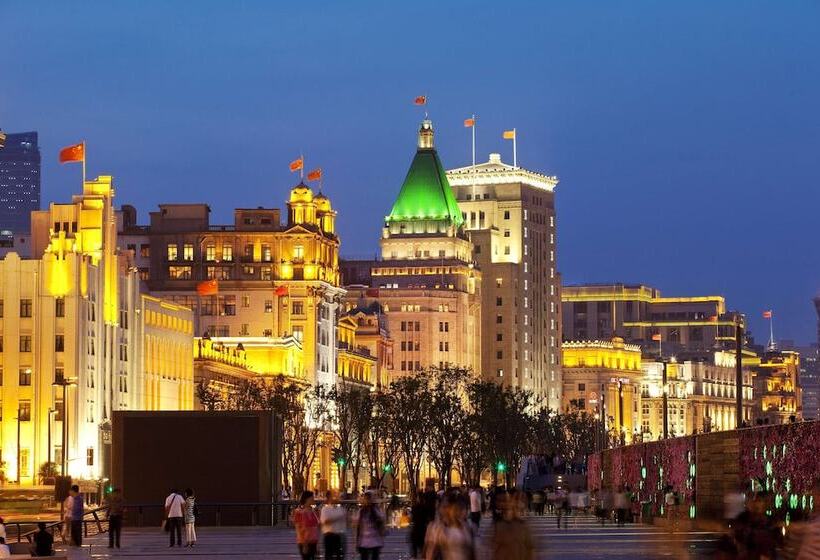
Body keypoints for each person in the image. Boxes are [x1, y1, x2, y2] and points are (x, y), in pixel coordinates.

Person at [424, 493, 477, 560]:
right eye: (444, 507)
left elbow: (471, 552)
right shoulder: (437, 528)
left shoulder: (468, 527)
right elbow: (431, 553)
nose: (446, 510)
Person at [490, 491, 534, 560]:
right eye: (517, 508)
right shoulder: (500, 525)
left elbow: (530, 547)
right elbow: (495, 547)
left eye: (522, 510)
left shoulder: (523, 526)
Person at [356, 491, 385, 560]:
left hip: (375, 541)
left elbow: (382, 522)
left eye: (368, 499)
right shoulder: (361, 511)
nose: (367, 501)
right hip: (364, 541)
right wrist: (357, 541)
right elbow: (358, 527)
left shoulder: (376, 510)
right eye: (366, 499)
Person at [293, 491, 320, 560]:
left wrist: (318, 545)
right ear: (307, 499)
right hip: (304, 542)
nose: (314, 499)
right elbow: (298, 529)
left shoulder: (314, 512)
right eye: (312, 498)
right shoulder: (299, 512)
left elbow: (316, 527)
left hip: (314, 541)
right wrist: (304, 544)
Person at [320, 490, 346, 560]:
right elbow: (325, 521)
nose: (336, 497)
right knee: (329, 555)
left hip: (339, 535)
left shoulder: (340, 509)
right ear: (328, 498)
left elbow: (346, 520)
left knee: (340, 556)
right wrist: (337, 518)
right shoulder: (325, 509)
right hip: (329, 536)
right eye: (333, 496)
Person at [410, 489, 436, 559]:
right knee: (423, 550)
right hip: (423, 530)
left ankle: (415, 557)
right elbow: (429, 519)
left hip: (416, 530)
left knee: (415, 550)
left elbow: (412, 518)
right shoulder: (426, 508)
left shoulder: (415, 507)